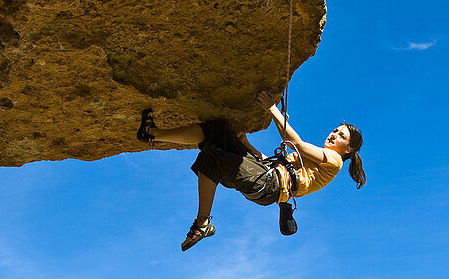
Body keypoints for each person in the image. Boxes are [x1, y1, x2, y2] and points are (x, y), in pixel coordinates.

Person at [136, 90, 365, 251]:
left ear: (349, 149)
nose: (334, 134)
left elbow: (293, 142)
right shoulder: (318, 160)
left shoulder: (334, 160)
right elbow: (271, 161)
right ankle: (152, 133)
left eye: (341, 136)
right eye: (336, 130)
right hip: (266, 177)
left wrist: (272, 109)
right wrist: (245, 144)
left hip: (270, 185)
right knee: (218, 130)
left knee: (211, 158)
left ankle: (202, 223)